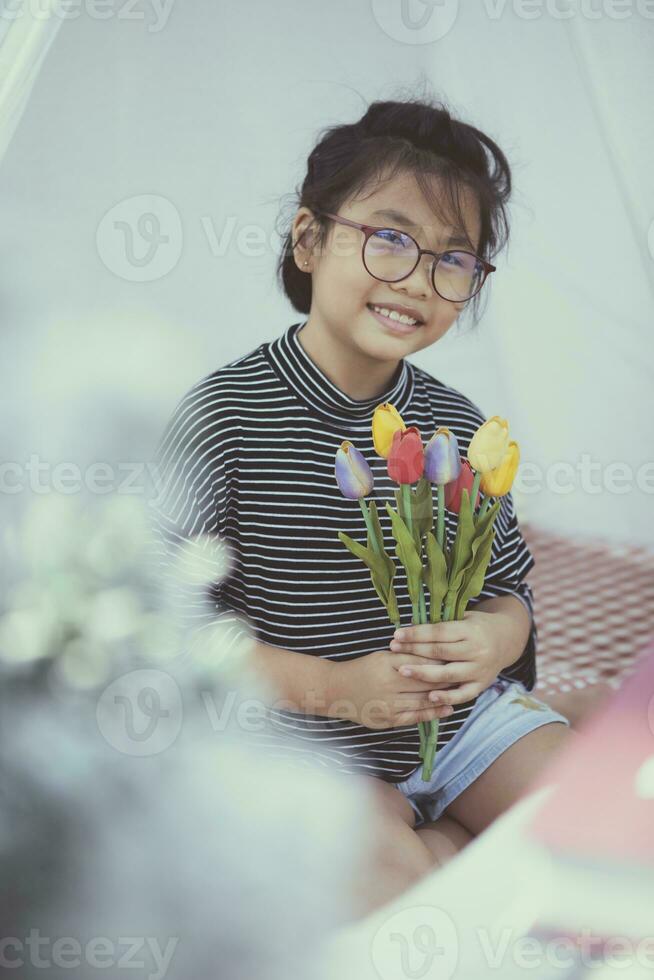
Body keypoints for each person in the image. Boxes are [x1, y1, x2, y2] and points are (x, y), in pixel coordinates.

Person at [149, 93, 573, 918]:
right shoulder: (225, 416)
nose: (418, 279)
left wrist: (491, 637)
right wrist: (337, 688)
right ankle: (438, 847)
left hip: (461, 731)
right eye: (390, 239)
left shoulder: (456, 426)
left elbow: (510, 590)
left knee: (597, 838)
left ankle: (451, 828)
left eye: (455, 258)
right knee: (398, 904)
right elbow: (174, 633)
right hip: (314, 746)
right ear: (309, 239)